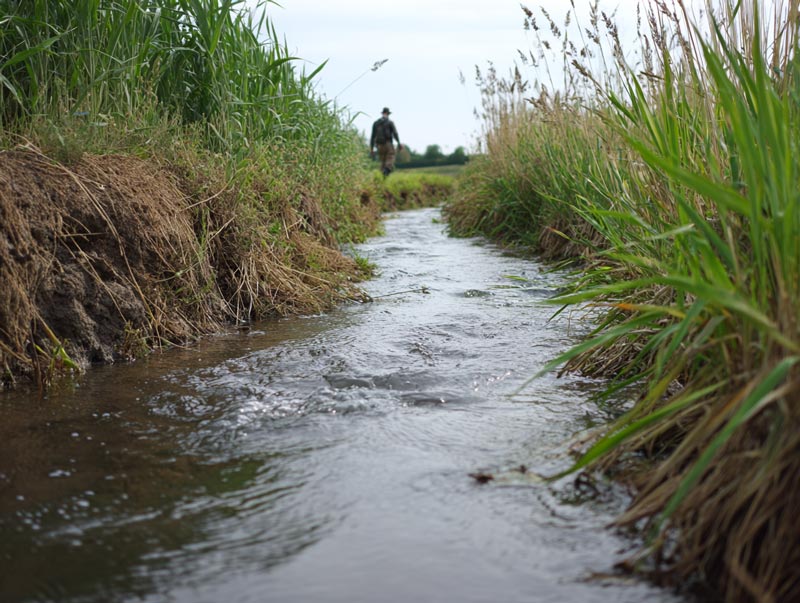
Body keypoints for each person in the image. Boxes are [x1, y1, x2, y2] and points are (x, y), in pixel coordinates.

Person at [370, 107, 402, 177]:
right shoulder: (390, 122)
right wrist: (399, 143)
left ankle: (383, 178)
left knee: (383, 161)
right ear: (388, 114)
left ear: (382, 113)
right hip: (388, 144)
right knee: (390, 158)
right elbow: (395, 133)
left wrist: (371, 148)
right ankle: (386, 170)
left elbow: (372, 136)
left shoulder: (376, 123)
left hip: (379, 145)